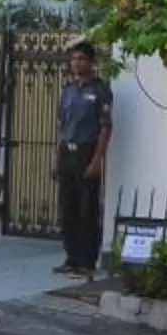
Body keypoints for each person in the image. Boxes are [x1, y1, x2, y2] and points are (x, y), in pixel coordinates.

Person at [52, 40, 114, 275]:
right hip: (67, 152)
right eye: (74, 59)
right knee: (68, 209)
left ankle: (87, 261)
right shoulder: (67, 90)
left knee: (87, 209)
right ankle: (72, 257)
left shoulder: (100, 91)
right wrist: (56, 158)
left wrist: (97, 160)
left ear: (91, 63)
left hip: (88, 152)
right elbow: (61, 126)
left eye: (81, 59)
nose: (77, 63)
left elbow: (106, 127)